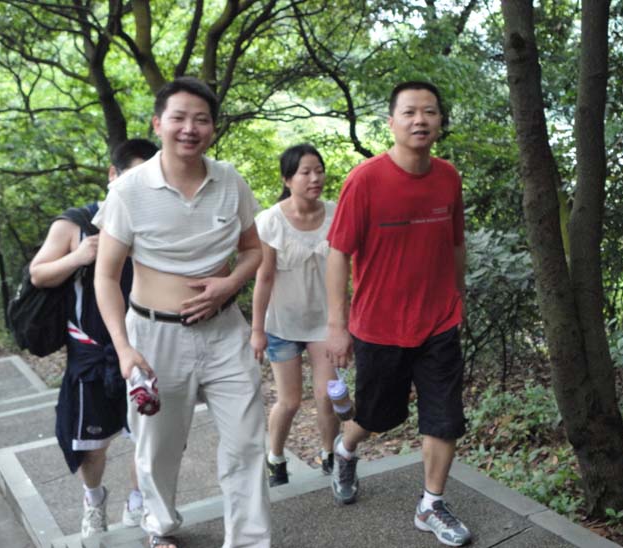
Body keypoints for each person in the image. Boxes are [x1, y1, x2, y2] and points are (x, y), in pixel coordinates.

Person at [93, 76, 270, 548]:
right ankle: (160, 526)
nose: (190, 128)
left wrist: (230, 283)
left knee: (247, 441)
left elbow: (253, 250)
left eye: (201, 119)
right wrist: (124, 349)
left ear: (213, 127)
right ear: (158, 124)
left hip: (225, 330)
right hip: (154, 338)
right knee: (159, 447)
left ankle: (249, 540)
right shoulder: (129, 190)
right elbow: (105, 277)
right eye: (179, 118)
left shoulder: (230, 180)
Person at [325, 81, 472, 547]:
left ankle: (431, 505)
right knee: (375, 417)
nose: (420, 120)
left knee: (444, 417)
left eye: (429, 111)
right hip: (379, 326)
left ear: (440, 121)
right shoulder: (364, 180)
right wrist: (337, 325)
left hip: (438, 321)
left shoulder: (448, 177)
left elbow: (456, 243)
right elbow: (337, 253)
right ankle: (346, 449)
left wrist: (458, 297)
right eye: (409, 112)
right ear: (391, 122)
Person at [29, 138, 159, 538]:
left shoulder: (155, 222)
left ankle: (138, 500)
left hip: (144, 342)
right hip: (91, 350)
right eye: (132, 176)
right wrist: (79, 256)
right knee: (91, 443)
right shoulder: (77, 223)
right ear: (112, 175)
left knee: (147, 434)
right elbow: (38, 274)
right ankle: (94, 499)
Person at [250, 144, 339, 487]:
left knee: (327, 395)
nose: (315, 178)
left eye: (319, 170)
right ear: (287, 180)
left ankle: (331, 456)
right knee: (289, 401)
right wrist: (257, 330)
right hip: (282, 324)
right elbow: (264, 277)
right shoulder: (270, 221)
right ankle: (275, 457)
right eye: (305, 172)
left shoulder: (336, 214)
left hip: (325, 323)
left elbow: (351, 267)